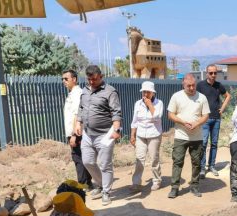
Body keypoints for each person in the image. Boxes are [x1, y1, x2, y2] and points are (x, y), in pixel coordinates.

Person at [75, 64, 122, 206]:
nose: (91, 82)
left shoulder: (110, 92)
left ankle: (106, 192)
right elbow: (81, 108)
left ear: (101, 77)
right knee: (87, 161)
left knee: (105, 164)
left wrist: (116, 130)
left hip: (104, 135)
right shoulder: (84, 90)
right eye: (89, 79)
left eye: (94, 79)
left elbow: (116, 112)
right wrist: (78, 123)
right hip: (88, 134)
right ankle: (101, 185)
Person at [167, 74, 210, 199]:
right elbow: (170, 114)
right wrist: (183, 122)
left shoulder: (202, 98)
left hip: (197, 137)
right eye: (188, 86)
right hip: (181, 136)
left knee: (196, 162)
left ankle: (195, 186)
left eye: (193, 85)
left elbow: (205, 115)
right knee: (177, 161)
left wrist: (197, 123)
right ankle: (174, 187)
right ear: (183, 85)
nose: (191, 88)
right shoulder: (176, 96)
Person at [196, 64, 231, 178]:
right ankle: (202, 168)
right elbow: (194, 98)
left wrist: (223, 108)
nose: (213, 75)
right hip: (205, 119)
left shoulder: (218, 85)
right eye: (211, 73)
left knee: (214, 143)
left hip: (216, 118)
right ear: (207, 73)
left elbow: (228, 96)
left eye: (215, 73)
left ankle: (212, 166)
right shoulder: (200, 85)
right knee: (204, 143)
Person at [130, 81, 164, 193]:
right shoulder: (137, 104)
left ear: (153, 93)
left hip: (154, 135)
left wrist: (150, 104)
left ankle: (156, 180)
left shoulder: (159, 103)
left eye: (148, 92)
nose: (145, 94)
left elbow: (157, 117)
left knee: (154, 159)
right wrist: (132, 135)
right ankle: (136, 182)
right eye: (144, 92)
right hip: (140, 135)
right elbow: (135, 121)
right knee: (139, 159)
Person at [62, 69, 92, 189]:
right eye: (62, 79)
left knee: (78, 157)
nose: (64, 81)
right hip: (76, 131)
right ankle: (87, 183)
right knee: (81, 157)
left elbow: (76, 114)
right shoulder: (72, 93)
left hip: (77, 132)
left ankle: (83, 184)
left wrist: (74, 135)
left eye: (66, 79)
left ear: (74, 79)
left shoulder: (77, 93)